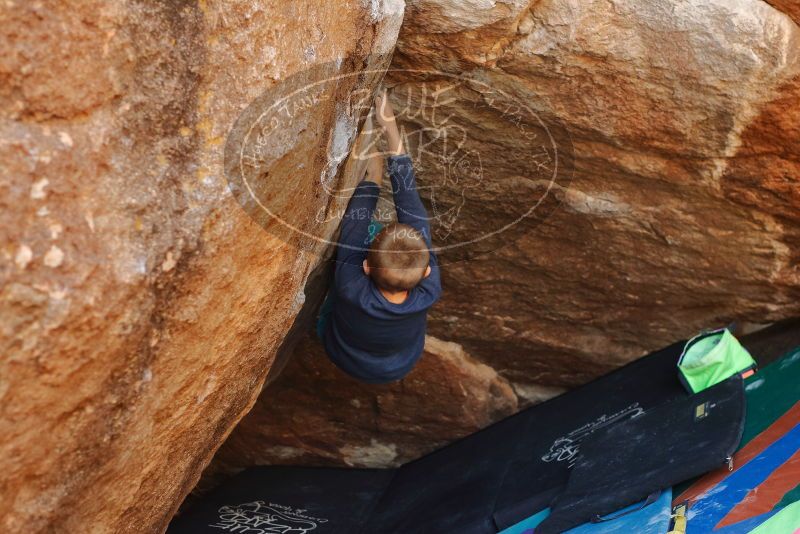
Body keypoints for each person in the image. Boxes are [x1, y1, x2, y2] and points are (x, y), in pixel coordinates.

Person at [316, 90, 442, 384]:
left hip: (342, 350)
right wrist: (392, 129)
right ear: (425, 272)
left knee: (366, 232)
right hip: (399, 363)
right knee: (372, 239)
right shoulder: (430, 290)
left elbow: (363, 200)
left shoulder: (350, 286)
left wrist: (374, 135)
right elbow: (410, 205)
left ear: (366, 268)